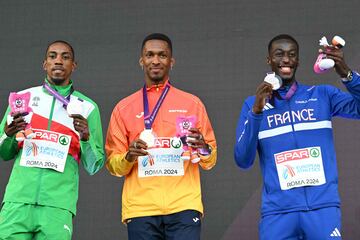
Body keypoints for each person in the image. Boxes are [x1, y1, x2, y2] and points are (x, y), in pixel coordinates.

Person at [234, 34, 360, 240]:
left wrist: (346, 73)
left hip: (322, 209)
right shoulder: (253, 105)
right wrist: (256, 113)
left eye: (292, 55)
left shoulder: (322, 95)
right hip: (278, 213)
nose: (286, 59)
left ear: (298, 60)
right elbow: (242, 160)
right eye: (279, 54)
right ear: (269, 60)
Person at [106, 33, 217, 240]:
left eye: (162, 55)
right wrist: (129, 156)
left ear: (171, 61)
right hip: (141, 208)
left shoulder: (192, 103)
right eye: (149, 55)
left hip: (184, 204)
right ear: (141, 61)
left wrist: (202, 146)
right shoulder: (124, 108)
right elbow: (113, 166)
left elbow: (210, 160)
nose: (155, 60)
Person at [0, 40, 105, 239]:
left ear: (73, 66)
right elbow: (3, 153)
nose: (58, 61)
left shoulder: (87, 108)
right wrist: (9, 135)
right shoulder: (22, 98)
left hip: (57, 206)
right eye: (52, 56)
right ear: (44, 64)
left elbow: (94, 165)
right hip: (18, 201)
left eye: (65, 57)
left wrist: (85, 138)